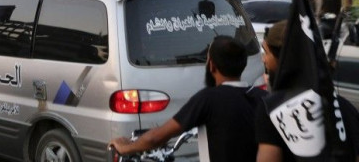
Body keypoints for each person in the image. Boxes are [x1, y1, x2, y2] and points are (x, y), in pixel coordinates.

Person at [111, 36, 266, 162]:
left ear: (211, 65)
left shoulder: (208, 99)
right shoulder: (263, 98)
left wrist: (126, 147)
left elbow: (156, 138)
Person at [256, 20, 359, 161]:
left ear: (283, 59)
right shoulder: (345, 108)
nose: (264, 60)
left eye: (266, 52)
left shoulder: (273, 109)